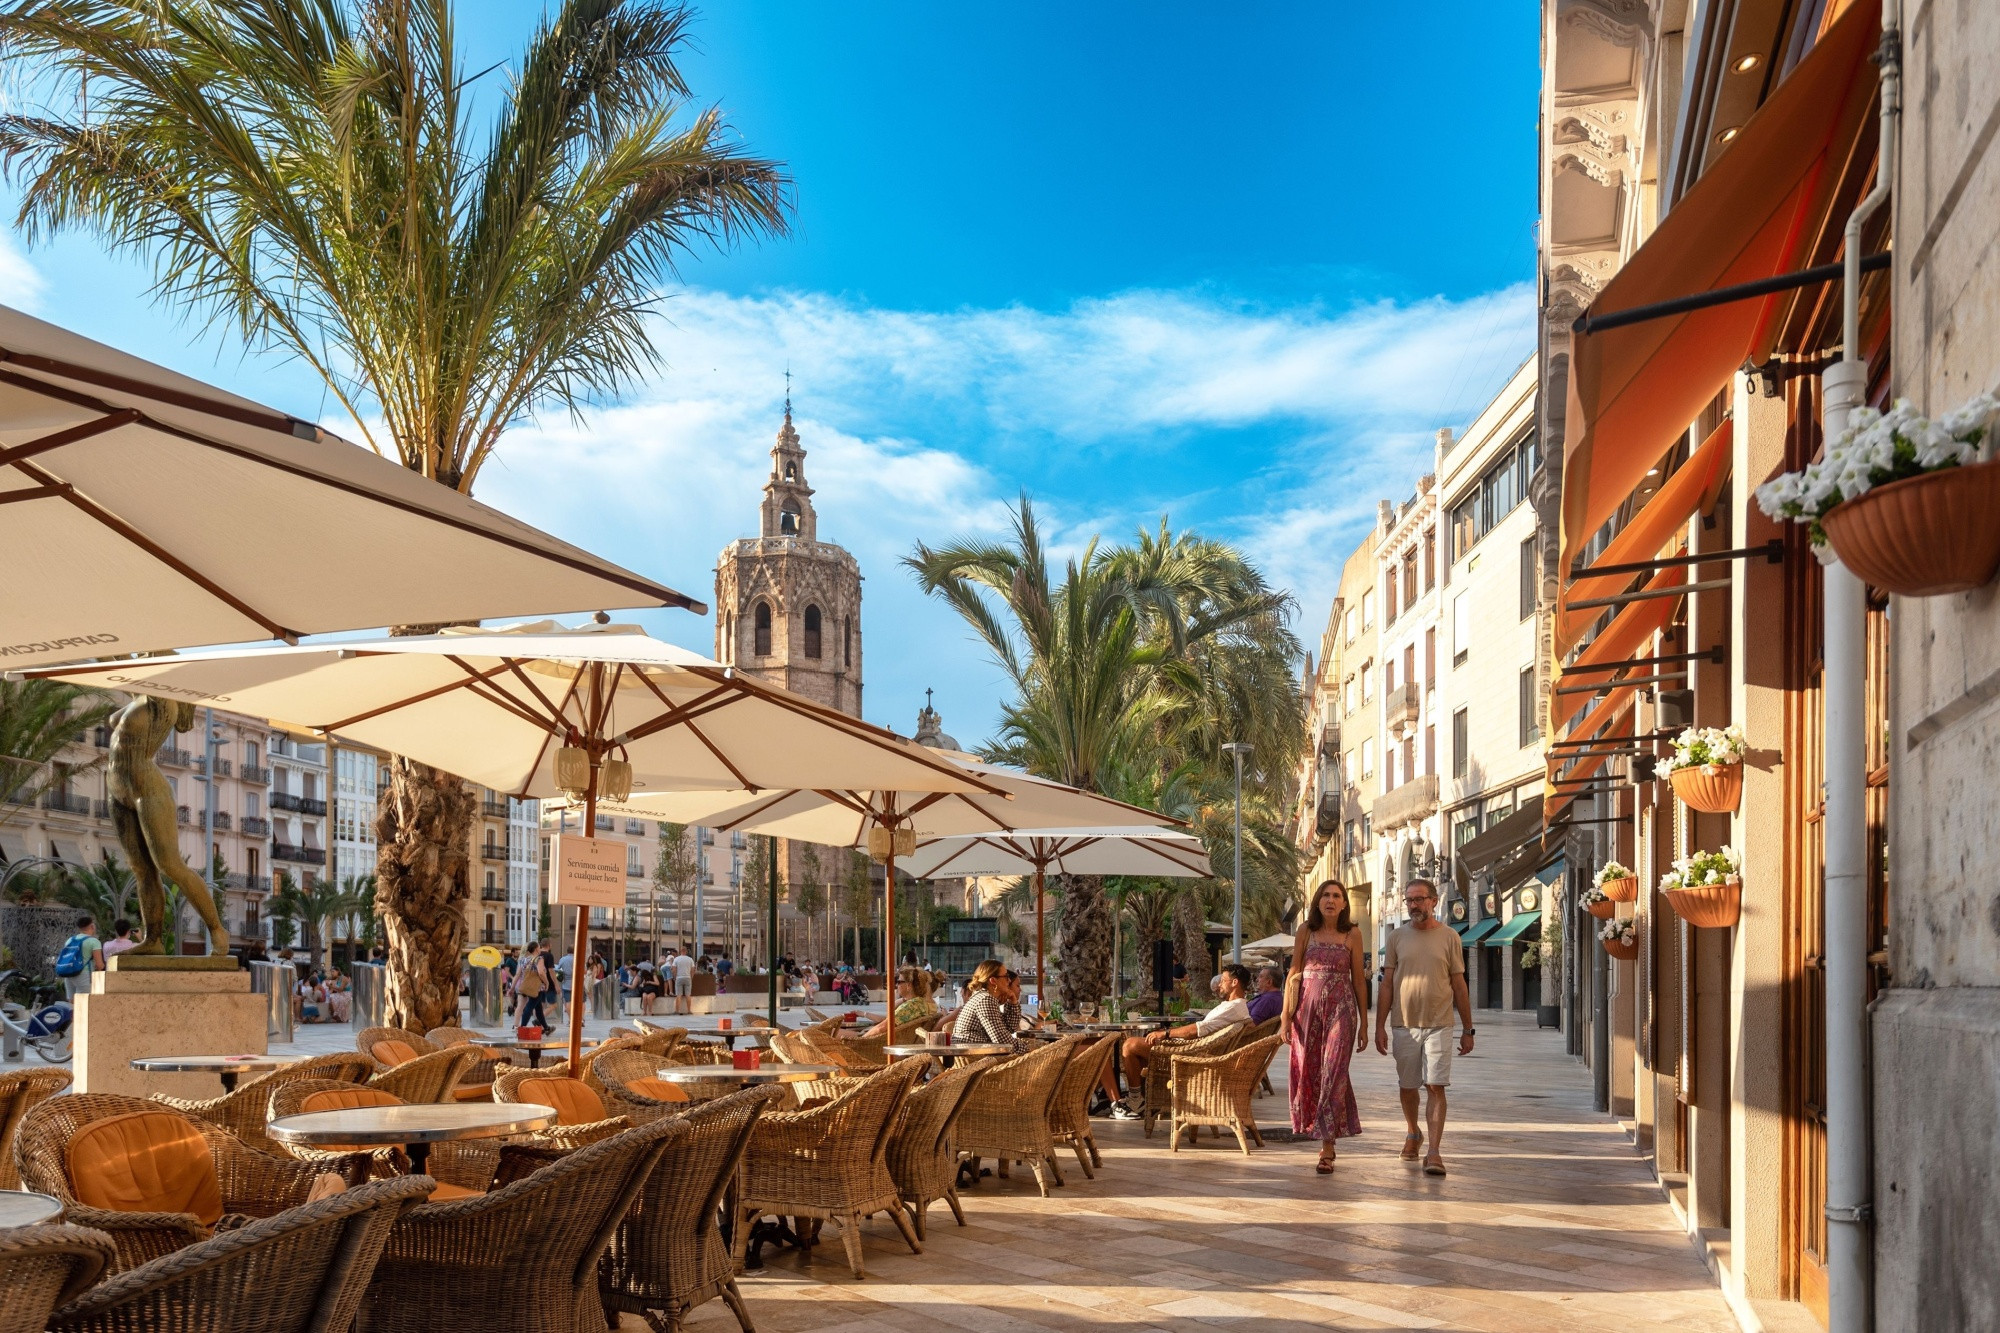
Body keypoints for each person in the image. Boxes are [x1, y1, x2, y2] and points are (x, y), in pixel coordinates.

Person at [1374, 877, 1474, 1177]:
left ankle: (1434, 1151)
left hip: (1439, 1022)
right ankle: (1412, 1132)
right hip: (1403, 1023)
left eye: (1419, 899)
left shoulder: (1449, 937)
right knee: (1408, 1086)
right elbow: (1387, 983)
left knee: (1435, 1085)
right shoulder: (1395, 938)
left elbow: (1459, 983)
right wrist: (1379, 1026)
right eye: (1409, 900)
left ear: (1433, 901)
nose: (1413, 905)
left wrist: (1468, 1029)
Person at [1283, 881, 1368, 1173]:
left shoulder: (1353, 934)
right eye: (1325, 895)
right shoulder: (1305, 931)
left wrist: (1365, 1023)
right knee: (1310, 1069)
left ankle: (1328, 1147)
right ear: (1318, 901)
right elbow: (1293, 973)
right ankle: (1315, 1127)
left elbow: (1358, 980)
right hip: (1307, 1011)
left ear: (1344, 903)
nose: (1331, 900)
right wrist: (1285, 1017)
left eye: (1337, 896)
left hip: (1341, 1011)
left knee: (1334, 1071)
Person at [1114, 963, 1254, 1120]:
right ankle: (1140, 1099)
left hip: (1191, 1056)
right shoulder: (1235, 1006)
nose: (1219, 984)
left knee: (1130, 1045)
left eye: (1223, 980)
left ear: (1234, 983)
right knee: (1140, 1046)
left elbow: (1198, 1029)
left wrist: (1166, 1034)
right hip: (1196, 1050)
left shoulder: (1234, 1008)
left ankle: (1135, 1100)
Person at [952, 960, 1033, 1051]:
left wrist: (1013, 1002)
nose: (1009, 980)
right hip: (975, 1056)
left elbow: (1010, 1028)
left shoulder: (986, 997)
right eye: (1006, 977)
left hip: (980, 1053)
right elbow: (1001, 1040)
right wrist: (1029, 1049)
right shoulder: (985, 999)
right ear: (993, 981)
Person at [53, 916, 103, 1000]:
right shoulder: (94, 942)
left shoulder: (70, 940)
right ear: (92, 926)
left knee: (72, 1001)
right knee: (84, 1001)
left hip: (68, 974)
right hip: (84, 974)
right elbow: (99, 965)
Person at [516, 943, 552, 1031]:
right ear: (536, 949)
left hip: (528, 986)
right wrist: (547, 982)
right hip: (537, 987)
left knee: (538, 1008)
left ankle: (546, 1028)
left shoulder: (524, 959)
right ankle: (522, 1027)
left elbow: (520, 973)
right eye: (539, 947)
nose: (540, 949)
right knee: (530, 1006)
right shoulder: (539, 959)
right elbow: (540, 972)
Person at [670, 945, 695, 1015]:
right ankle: (689, 1010)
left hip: (679, 978)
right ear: (686, 951)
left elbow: (674, 969)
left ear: (680, 951)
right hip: (688, 978)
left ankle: (677, 1011)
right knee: (688, 995)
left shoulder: (676, 959)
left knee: (678, 995)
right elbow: (693, 969)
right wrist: (691, 977)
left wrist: (675, 977)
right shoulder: (690, 959)